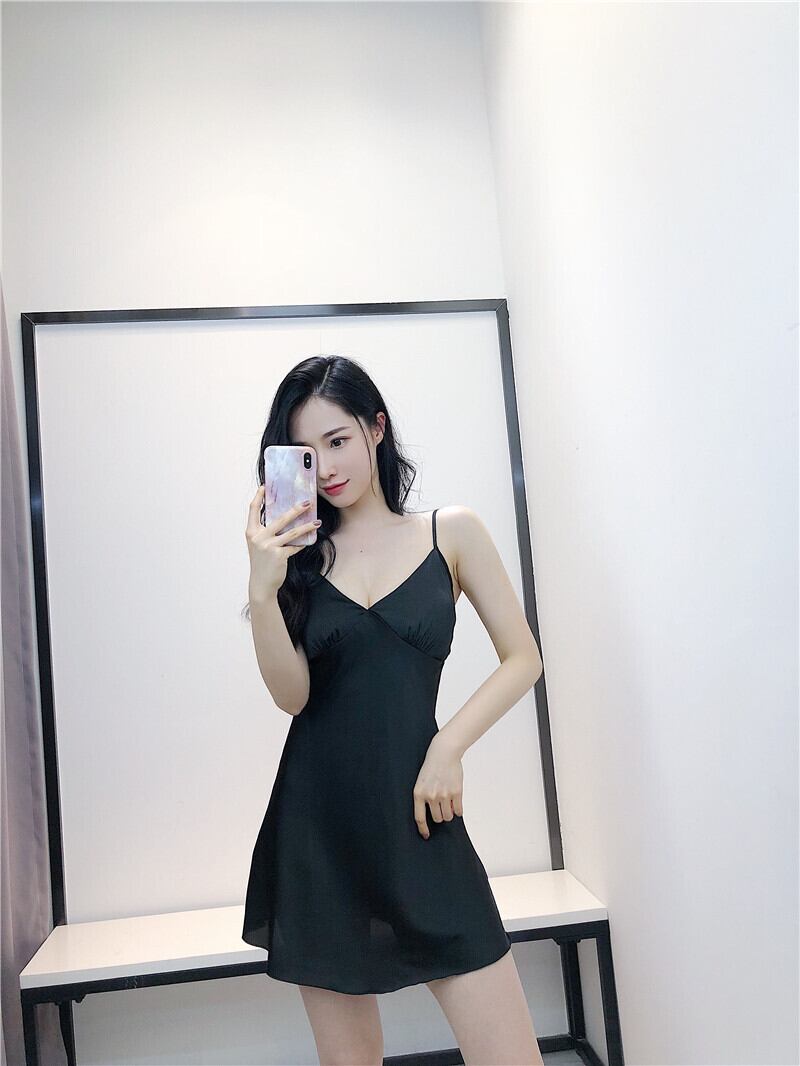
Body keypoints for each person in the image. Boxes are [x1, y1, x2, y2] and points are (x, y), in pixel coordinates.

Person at [241, 354, 544, 1066]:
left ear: (376, 428)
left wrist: (448, 747)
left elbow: (523, 658)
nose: (326, 467)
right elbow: (292, 697)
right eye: (305, 454)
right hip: (319, 833)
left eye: (338, 440)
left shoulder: (450, 533)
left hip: (421, 821)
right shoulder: (300, 561)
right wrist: (262, 587)